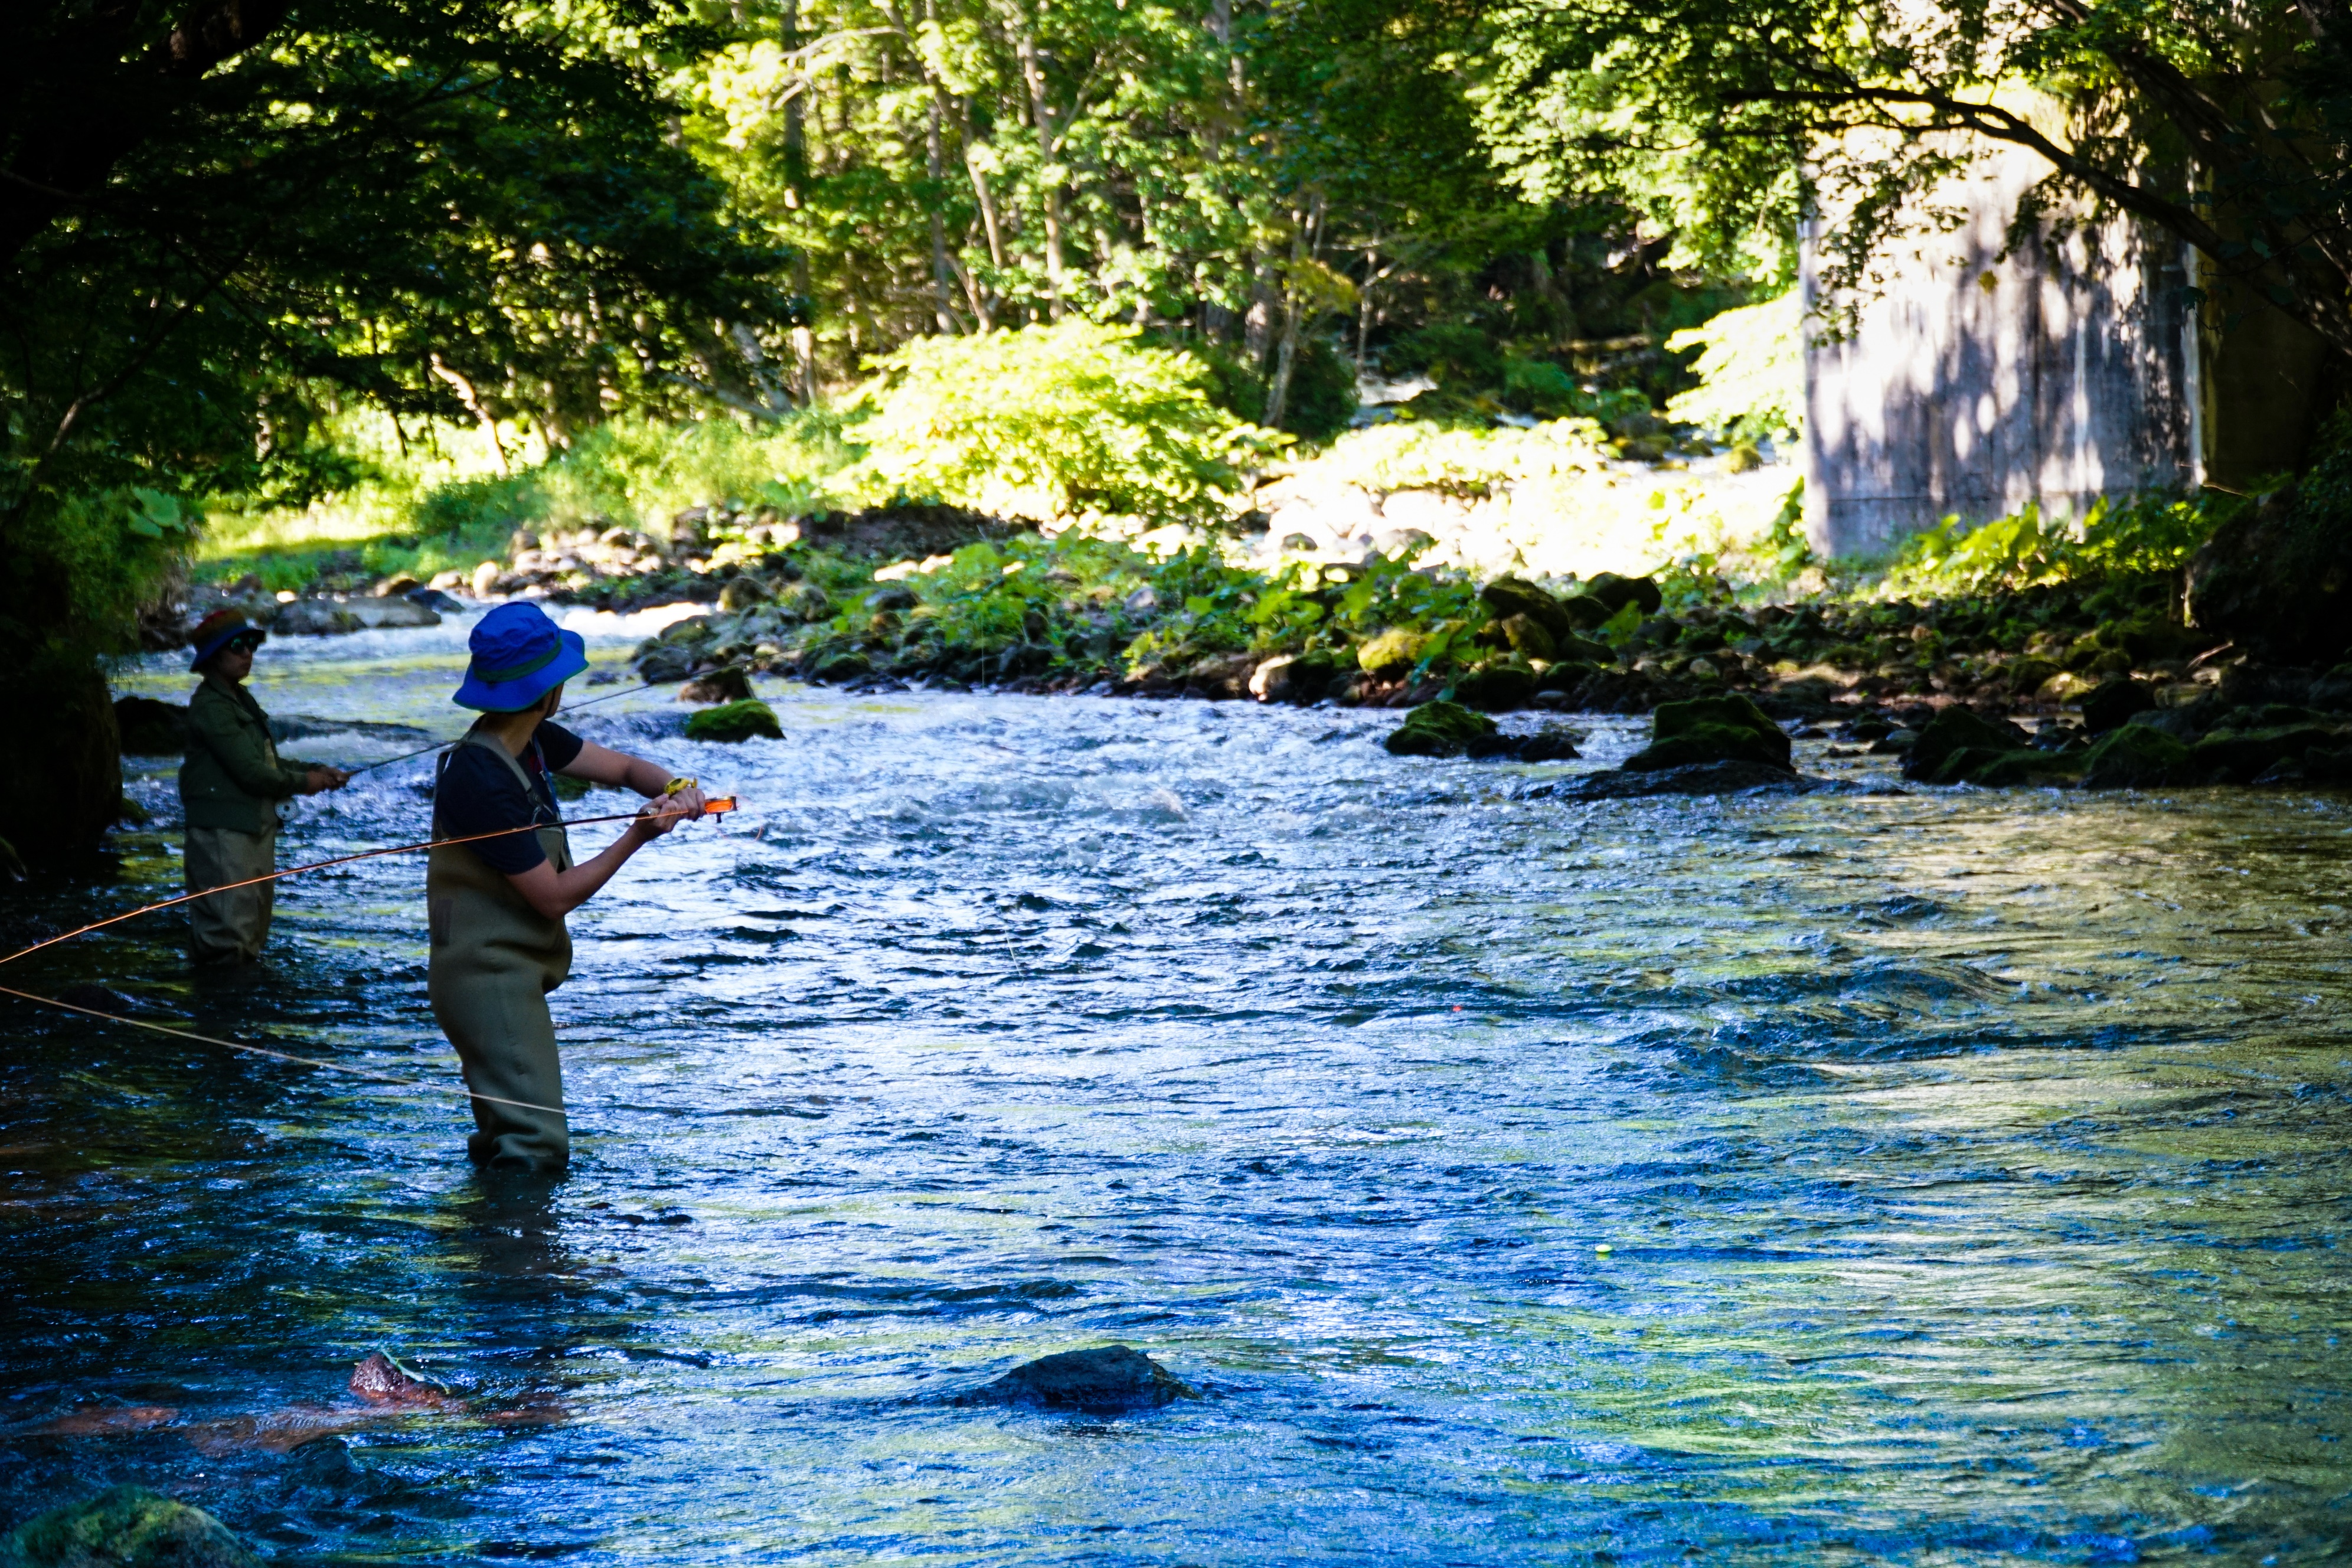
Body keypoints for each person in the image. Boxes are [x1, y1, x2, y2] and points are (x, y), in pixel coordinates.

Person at [428, 602, 710, 1174]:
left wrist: (677, 786)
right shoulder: (479, 778)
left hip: (511, 971)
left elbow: (629, 771)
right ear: (546, 689)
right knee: (536, 1148)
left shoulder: (533, 740)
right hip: (486, 980)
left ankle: (496, 1253)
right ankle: (523, 1259)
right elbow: (552, 897)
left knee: (509, 1141)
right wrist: (638, 836)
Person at [179, 610, 351, 963]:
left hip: (252, 829)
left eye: (251, 645)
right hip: (223, 836)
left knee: (251, 934)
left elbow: (268, 763)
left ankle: (241, 1013)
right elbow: (251, 773)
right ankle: (221, 1012)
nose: (248, 653)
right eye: (237, 646)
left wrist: (316, 770)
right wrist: (307, 783)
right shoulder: (211, 707)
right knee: (227, 940)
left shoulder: (240, 699)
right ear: (214, 656)